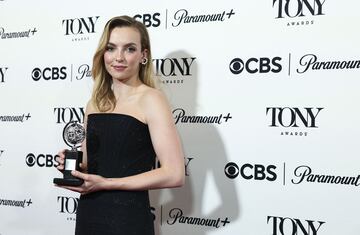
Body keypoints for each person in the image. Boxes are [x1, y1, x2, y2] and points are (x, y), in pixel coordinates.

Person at [55, 15, 185, 235]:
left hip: (128, 220)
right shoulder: (94, 103)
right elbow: (91, 164)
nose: (119, 57)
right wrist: (73, 167)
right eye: (111, 48)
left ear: (143, 55)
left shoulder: (152, 99)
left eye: (129, 49)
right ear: (102, 53)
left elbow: (174, 174)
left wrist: (106, 183)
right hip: (89, 215)